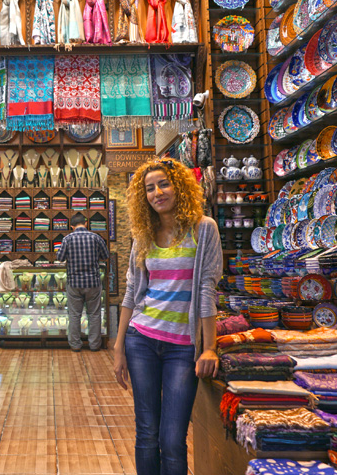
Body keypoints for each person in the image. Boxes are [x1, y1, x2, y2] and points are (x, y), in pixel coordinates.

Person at [113, 157, 222, 475]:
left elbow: (206, 290)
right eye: (149, 188)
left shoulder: (204, 229)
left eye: (163, 184)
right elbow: (132, 293)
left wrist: (209, 346)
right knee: (147, 434)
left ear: (180, 187)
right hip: (141, 341)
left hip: (181, 348)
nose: (157, 192)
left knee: (172, 439)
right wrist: (119, 347)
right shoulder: (143, 235)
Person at [56, 212, 109, 352]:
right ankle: (94, 345)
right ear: (86, 224)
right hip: (93, 282)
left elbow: (60, 258)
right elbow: (105, 256)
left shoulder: (67, 239)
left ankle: (75, 345)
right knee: (95, 314)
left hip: (74, 283)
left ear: (71, 226)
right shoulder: (96, 238)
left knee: (74, 315)